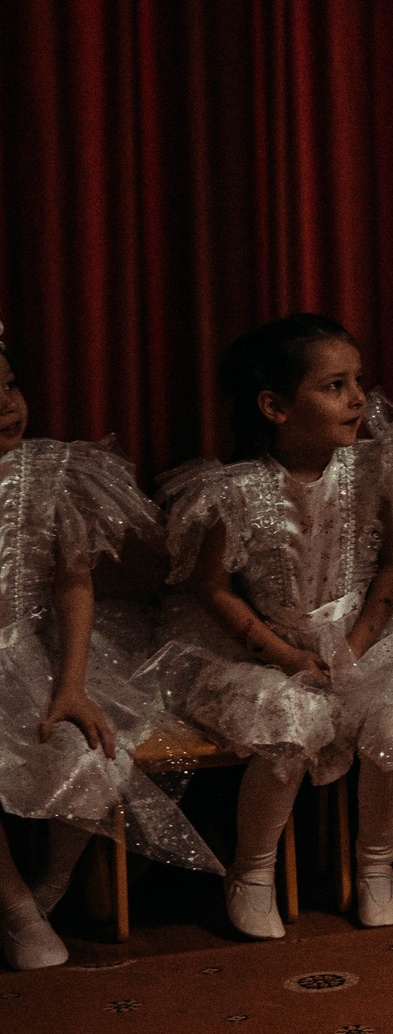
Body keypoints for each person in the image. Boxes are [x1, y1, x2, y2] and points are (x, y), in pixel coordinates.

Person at [152, 315, 393, 937]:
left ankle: (377, 865)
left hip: (361, 637)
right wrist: (280, 654)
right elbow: (210, 587)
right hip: (263, 648)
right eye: (335, 386)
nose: (358, 399)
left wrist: (353, 648)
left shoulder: (382, 472)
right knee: (289, 725)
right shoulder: (231, 491)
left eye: (359, 382)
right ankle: (253, 871)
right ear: (275, 406)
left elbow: (391, 581)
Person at [0, 330, 218, 969]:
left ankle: (50, 885)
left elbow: (74, 581)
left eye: (10, 387)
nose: (7, 405)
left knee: (94, 754)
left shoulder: (53, 472)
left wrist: (70, 684)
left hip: (43, 649)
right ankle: (14, 909)